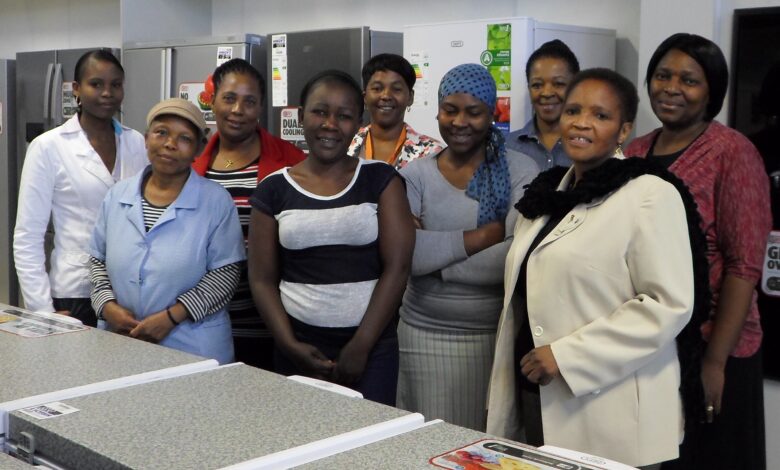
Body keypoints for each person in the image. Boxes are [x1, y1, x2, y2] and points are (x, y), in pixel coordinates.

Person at [487, 68, 709, 469]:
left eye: (600, 115)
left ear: (624, 130)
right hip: (539, 394)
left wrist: (565, 357)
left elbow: (667, 304)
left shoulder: (649, 193)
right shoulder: (547, 194)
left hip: (611, 408)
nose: (581, 122)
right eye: (573, 110)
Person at [625, 33, 772, 470]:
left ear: (712, 91)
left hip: (715, 346)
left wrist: (714, 362)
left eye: (688, 80)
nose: (671, 88)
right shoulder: (635, 151)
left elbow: (744, 265)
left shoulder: (733, 152)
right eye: (662, 76)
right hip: (654, 343)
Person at [248, 70, 414, 405]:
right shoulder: (273, 189)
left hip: (372, 349)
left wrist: (361, 345)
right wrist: (289, 344)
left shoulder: (380, 179)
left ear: (359, 123)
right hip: (297, 346)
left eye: (344, 116)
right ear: (300, 116)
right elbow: (262, 279)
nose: (330, 125)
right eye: (320, 112)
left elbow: (397, 268)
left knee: (370, 435)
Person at [396, 63, 539, 432]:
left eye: (474, 112)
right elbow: (404, 254)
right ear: (438, 111)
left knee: (482, 445)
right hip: (420, 334)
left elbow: (513, 258)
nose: (460, 122)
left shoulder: (521, 171)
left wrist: (433, 257)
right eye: (450, 110)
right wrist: (484, 236)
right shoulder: (415, 175)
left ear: (492, 114)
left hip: (495, 338)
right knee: (427, 442)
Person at [89, 98, 245, 364]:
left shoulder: (216, 201)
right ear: (146, 139)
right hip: (121, 338)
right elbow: (97, 261)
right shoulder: (117, 195)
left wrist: (172, 317)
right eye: (161, 133)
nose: (170, 144)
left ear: (199, 148)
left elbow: (225, 275)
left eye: (184, 138)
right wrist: (107, 306)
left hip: (192, 344)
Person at [14, 49, 147, 326]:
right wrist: (41, 309)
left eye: (115, 85)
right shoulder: (48, 147)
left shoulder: (136, 143)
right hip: (75, 291)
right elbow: (28, 235)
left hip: (128, 290)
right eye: (96, 84)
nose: (107, 93)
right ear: (76, 89)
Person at [192, 58, 305, 370]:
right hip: (203, 321)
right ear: (212, 101)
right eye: (229, 98)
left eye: (249, 102)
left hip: (271, 324)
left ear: (261, 107)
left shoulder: (292, 161)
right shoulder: (191, 164)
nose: (238, 110)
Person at [348, 53, 442, 169]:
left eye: (396, 89)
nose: (386, 96)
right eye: (377, 88)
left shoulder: (431, 153)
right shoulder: (346, 142)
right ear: (365, 98)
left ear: (410, 97)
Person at [506, 39, 579, 170]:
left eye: (558, 84)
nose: (546, 93)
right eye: (537, 85)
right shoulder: (507, 147)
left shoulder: (589, 146)